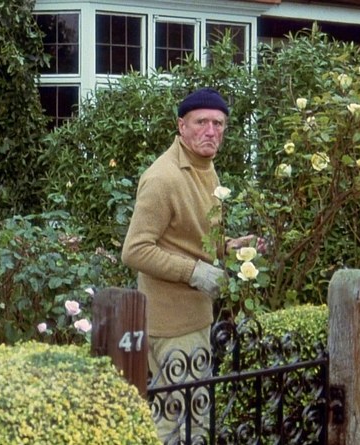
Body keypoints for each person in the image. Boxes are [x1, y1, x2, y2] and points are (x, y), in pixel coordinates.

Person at [121, 88, 261, 442]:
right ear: (181, 126)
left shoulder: (206, 169)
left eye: (218, 123)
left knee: (187, 419)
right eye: (201, 122)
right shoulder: (163, 178)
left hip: (196, 319)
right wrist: (195, 272)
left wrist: (229, 249)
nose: (211, 131)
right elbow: (134, 250)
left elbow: (192, 240)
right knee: (183, 425)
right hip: (172, 327)